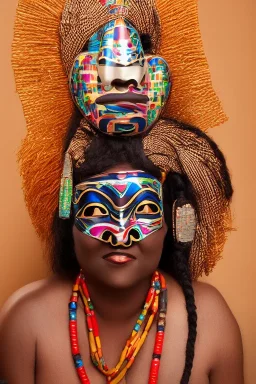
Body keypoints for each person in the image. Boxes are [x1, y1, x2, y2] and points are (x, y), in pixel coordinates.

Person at [0, 0, 244, 383]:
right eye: (96, 210)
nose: (120, 232)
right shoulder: (25, 322)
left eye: (144, 209)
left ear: (172, 219)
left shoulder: (212, 321)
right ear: (68, 210)